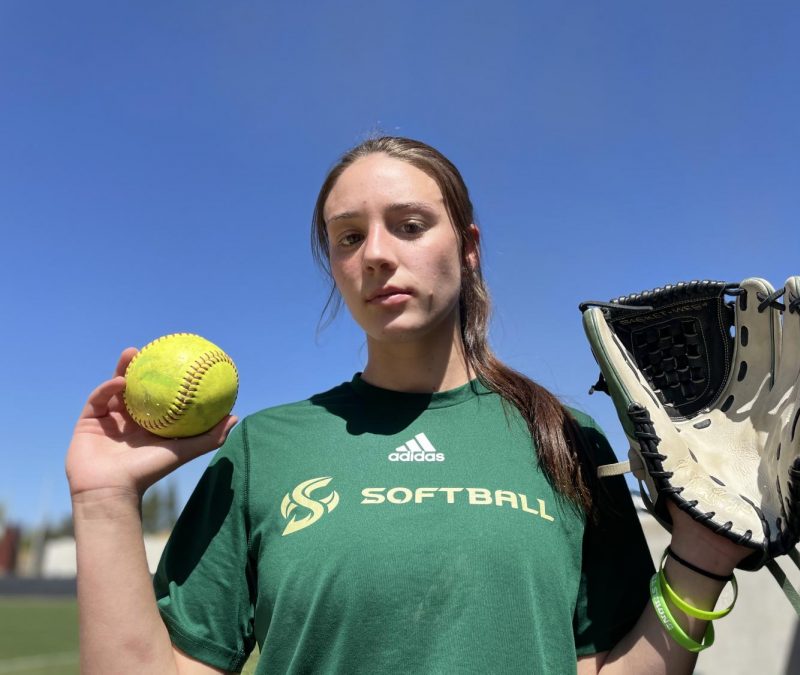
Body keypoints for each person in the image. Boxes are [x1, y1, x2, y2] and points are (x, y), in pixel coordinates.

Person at [66, 137, 752, 674]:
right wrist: (103, 499)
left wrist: (700, 559)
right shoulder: (264, 448)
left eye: (411, 224)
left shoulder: (566, 439)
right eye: (348, 236)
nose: (377, 254)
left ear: (469, 248)